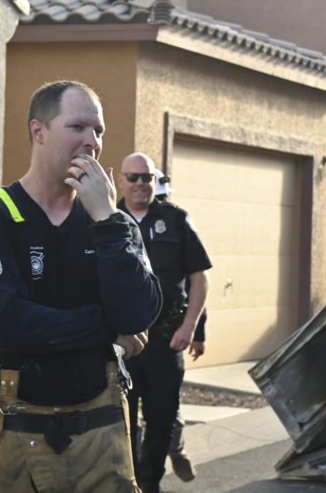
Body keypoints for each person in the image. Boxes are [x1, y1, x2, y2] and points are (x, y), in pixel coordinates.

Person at [0, 80, 162, 492]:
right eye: (77, 127)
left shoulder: (113, 223)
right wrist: (108, 329)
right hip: (14, 430)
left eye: (98, 131)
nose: (92, 141)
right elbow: (8, 324)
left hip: (100, 427)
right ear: (38, 131)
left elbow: (139, 314)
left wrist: (106, 219)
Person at [118, 154, 211, 493]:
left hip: (165, 340)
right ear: (121, 181)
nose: (140, 183)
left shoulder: (176, 220)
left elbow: (199, 277)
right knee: (123, 421)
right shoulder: (105, 219)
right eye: (133, 177)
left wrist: (191, 327)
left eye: (147, 177)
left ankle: (150, 483)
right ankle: (129, 482)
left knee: (162, 420)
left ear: (155, 181)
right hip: (121, 344)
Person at [151, 169, 208, 481]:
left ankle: (175, 451)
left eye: (162, 197)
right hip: (138, 335)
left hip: (169, 331)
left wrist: (197, 331)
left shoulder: (176, 226)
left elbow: (195, 286)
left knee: (166, 407)